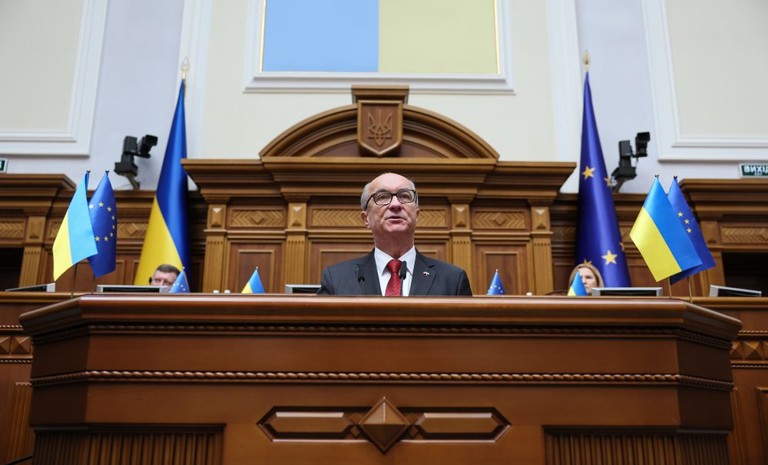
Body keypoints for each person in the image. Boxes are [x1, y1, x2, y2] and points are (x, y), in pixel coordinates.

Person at [318, 172, 473, 296]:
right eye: (382, 197)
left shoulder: (453, 279)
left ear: (417, 215)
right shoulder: (336, 279)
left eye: (404, 196)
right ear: (366, 219)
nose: (395, 204)